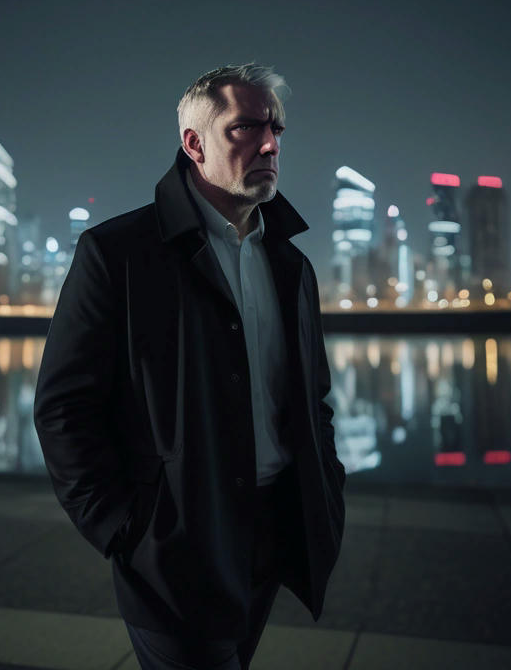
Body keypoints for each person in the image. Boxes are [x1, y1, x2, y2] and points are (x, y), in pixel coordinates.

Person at [34, 63, 345, 670]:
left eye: (276, 128)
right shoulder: (118, 254)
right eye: (246, 128)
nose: (270, 143)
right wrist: (123, 529)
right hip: (173, 545)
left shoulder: (290, 264)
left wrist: (325, 490)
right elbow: (63, 407)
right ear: (194, 143)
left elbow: (313, 399)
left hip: (272, 530)